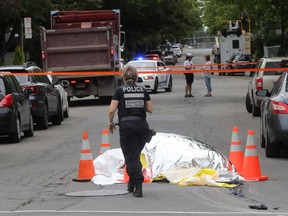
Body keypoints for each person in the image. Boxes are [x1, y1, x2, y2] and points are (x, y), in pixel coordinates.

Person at [108, 65, 153, 198]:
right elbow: (150, 109)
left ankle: (138, 185)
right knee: (134, 155)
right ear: (136, 77)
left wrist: (111, 122)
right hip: (142, 127)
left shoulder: (119, 91)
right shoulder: (142, 90)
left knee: (131, 157)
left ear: (123, 77)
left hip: (127, 127)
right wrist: (137, 104)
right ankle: (131, 184)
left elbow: (111, 110)